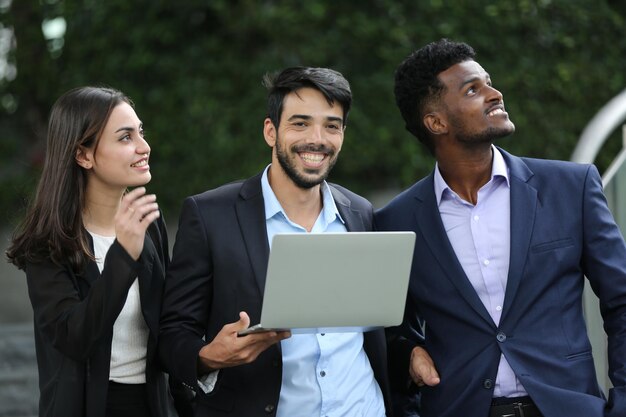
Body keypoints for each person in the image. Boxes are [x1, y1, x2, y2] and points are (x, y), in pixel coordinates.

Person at [376, 38, 626, 417]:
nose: (495, 94)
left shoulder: (570, 188)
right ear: (436, 122)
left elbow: (622, 301)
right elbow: (390, 332)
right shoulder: (396, 221)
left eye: (488, 82)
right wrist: (409, 352)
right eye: (473, 90)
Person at [158, 67, 393, 416]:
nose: (317, 138)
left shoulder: (360, 212)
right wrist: (208, 357)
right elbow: (172, 334)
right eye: (300, 123)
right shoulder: (209, 216)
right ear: (271, 131)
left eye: (331, 125)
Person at [6, 86, 183, 417]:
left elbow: (166, 326)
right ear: (83, 155)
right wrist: (123, 256)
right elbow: (76, 337)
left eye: (140, 133)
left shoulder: (147, 226)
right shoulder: (47, 244)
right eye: (125, 138)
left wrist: (210, 351)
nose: (144, 147)